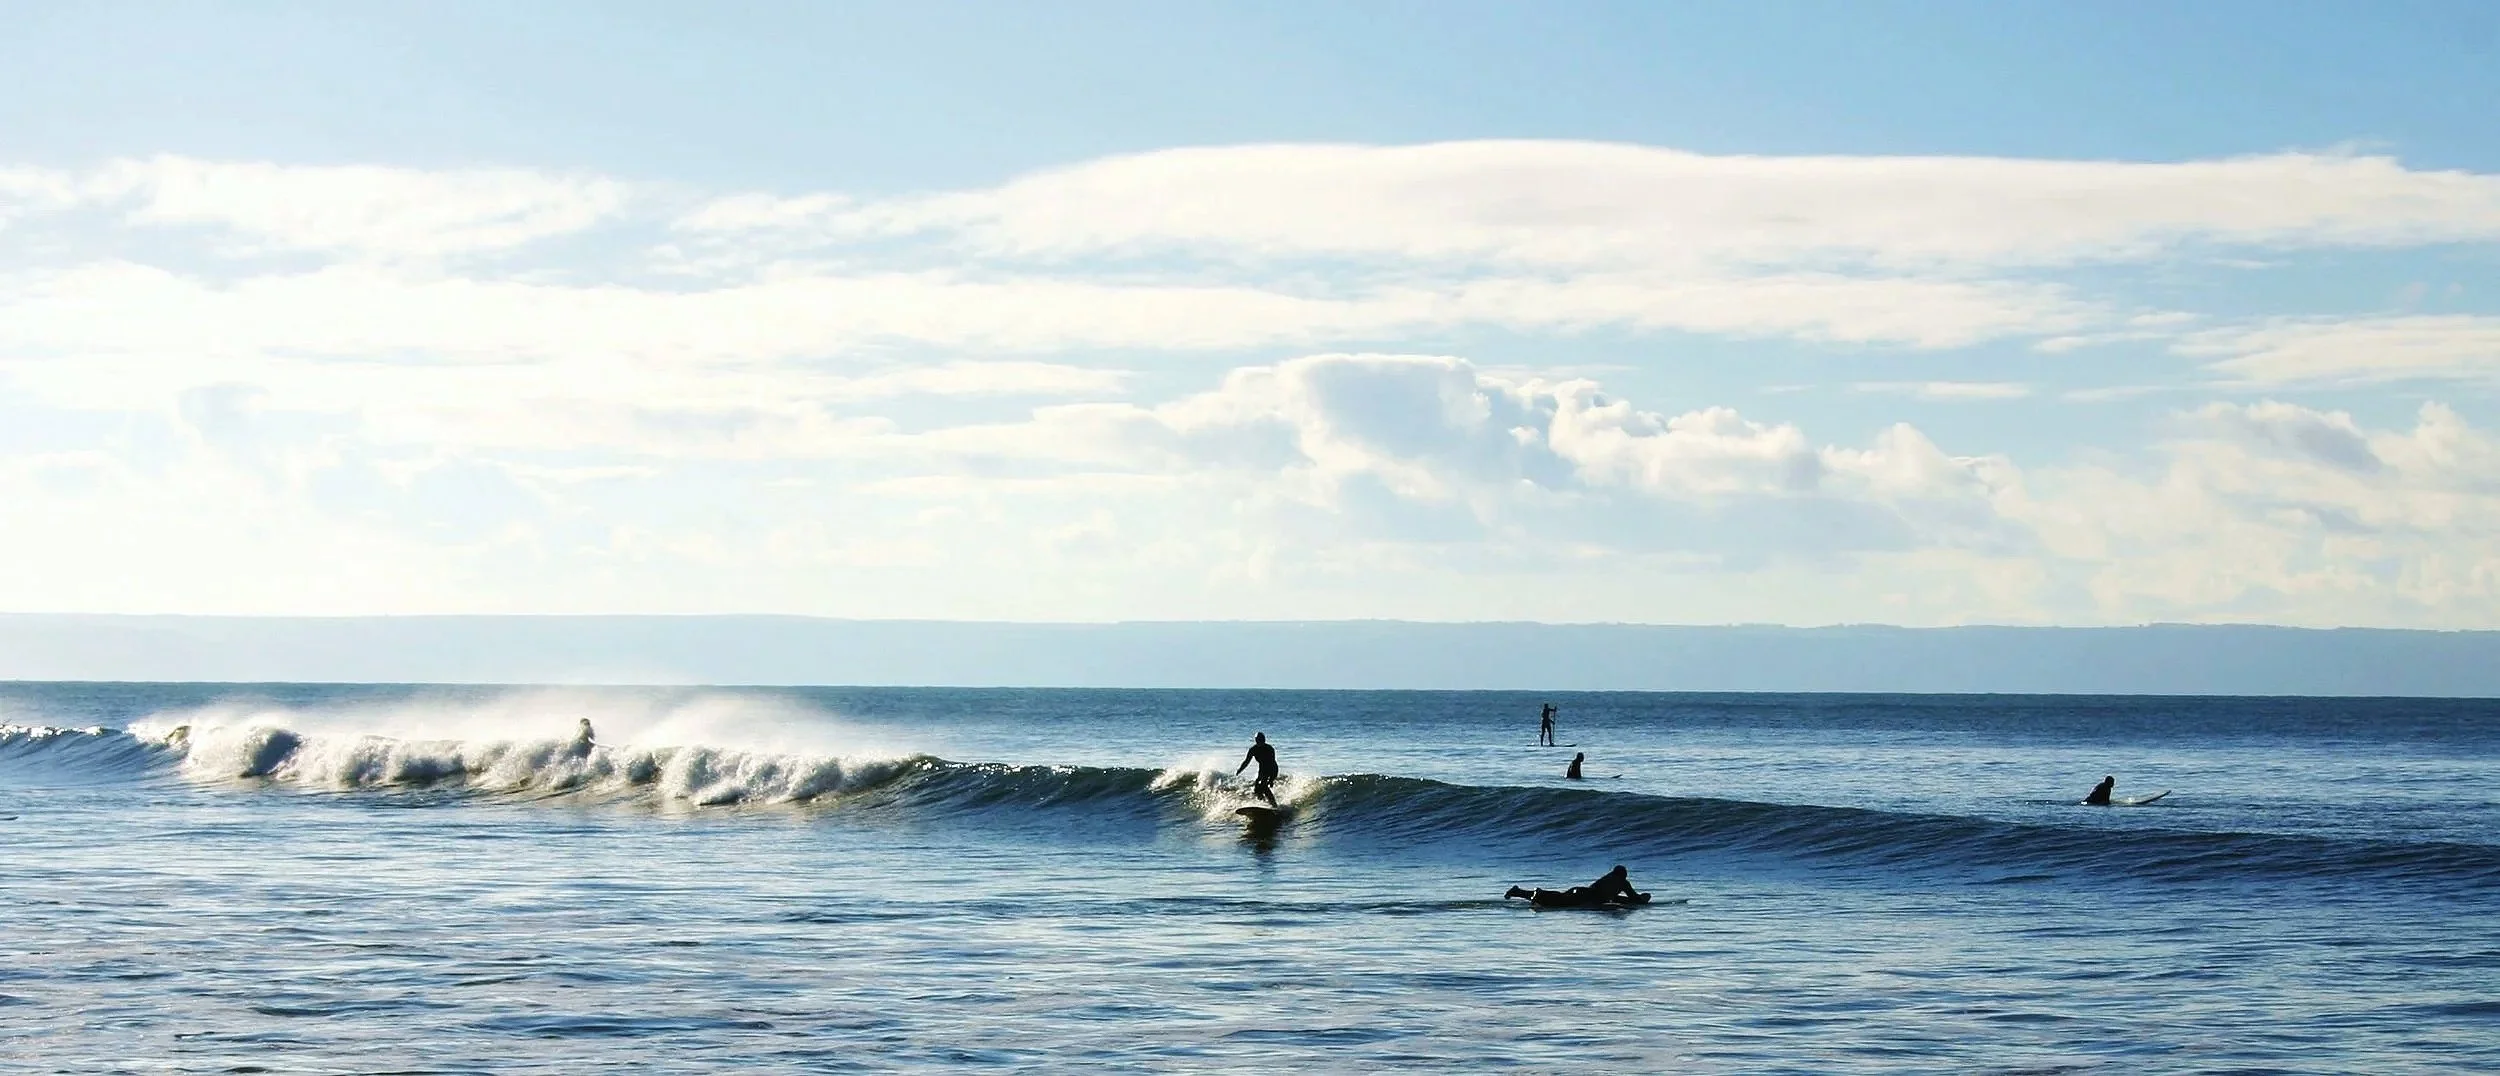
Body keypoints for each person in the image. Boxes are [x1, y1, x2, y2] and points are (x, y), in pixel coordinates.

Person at [1505, 865, 1650, 908]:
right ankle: (1530, 893)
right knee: (1555, 903)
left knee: (1557, 898)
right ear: (1624, 875)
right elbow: (1633, 899)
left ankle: (1520, 892)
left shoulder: (1607, 879)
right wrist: (1644, 898)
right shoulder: (1622, 882)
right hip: (1584, 897)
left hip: (1580, 891)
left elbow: (1611, 897)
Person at [1236, 732, 1279, 806]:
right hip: (1262, 769)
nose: (1260, 742)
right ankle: (1263, 804)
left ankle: (1274, 805)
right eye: (1258, 740)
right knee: (1257, 788)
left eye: (1262, 740)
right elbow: (1246, 761)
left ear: (1264, 740)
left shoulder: (1269, 748)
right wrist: (1239, 770)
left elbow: (1272, 763)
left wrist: (1271, 779)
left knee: (1264, 786)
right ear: (1256, 740)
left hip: (1272, 769)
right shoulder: (1253, 749)